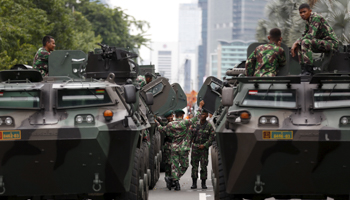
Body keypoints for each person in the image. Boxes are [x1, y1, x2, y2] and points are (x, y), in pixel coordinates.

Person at [155, 101, 205, 191]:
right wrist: (200, 106)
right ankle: (175, 179)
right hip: (183, 148)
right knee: (184, 166)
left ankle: (175, 182)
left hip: (174, 148)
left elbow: (161, 130)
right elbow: (197, 118)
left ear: (174, 115)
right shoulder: (185, 123)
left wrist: (156, 122)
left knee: (174, 166)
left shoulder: (170, 124)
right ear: (182, 115)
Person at [291, 3, 338, 75]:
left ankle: (309, 70)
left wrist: (296, 42)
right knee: (301, 43)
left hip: (331, 43)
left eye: (304, 11)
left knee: (305, 42)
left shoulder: (316, 17)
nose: (302, 14)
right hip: (322, 43)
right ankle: (304, 69)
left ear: (310, 11)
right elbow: (304, 35)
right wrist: (297, 42)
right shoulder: (308, 20)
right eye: (300, 12)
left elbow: (310, 35)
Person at [190, 110, 215, 189]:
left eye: (203, 114)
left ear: (207, 115)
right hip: (195, 148)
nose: (201, 115)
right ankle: (194, 183)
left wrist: (205, 145)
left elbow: (212, 138)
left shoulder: (209, 126)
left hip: (204, 149)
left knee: (204, 166)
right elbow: (190, 135)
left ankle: (203, 183)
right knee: (194, 166)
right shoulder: (195, 125)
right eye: (201, 114)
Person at [156, 110, 174, 179]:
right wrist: (157, 120)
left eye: (170, 116)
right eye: (168, 117)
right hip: (168, 145)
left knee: (174, 164)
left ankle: (174, 179)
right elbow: (161, 126)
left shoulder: (176, 124)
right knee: (168, 163)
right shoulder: (166, 124)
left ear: (173, 116)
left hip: (176, 146)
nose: (169, 118)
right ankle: (168, 178)